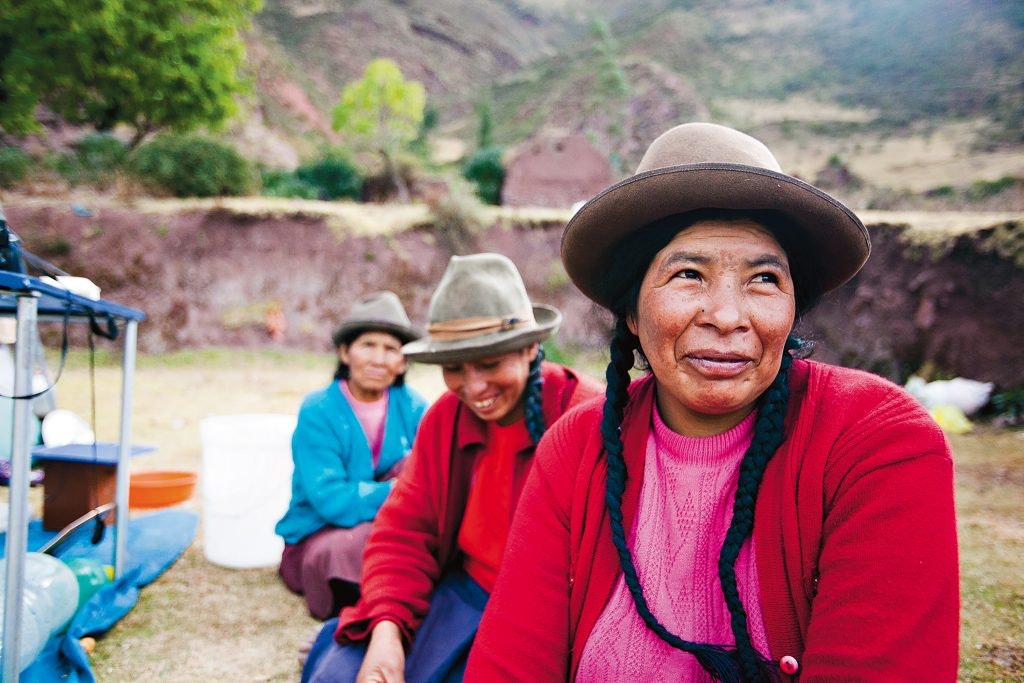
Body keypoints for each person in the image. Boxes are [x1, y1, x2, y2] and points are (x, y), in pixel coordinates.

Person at [467, 123, 960, 681]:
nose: (727, 316)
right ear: (632, 313)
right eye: (688, 274)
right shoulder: (575, 451)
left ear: (793, 307)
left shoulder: (878, 441)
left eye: (764, 279)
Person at [301, 252, 602, 683]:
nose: (473, 386)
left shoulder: (584, 417)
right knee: (344, 672)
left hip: (547, 617)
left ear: (530, 347)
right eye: (454, 368)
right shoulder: (445, 418)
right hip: (462, 595)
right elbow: (405, 529)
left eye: (490, 363)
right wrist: (388, 629)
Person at [277, 291, 428, 620]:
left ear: (402, 361)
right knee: (353, 548)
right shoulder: (318, 410)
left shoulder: (415, 407)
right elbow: (330, 499)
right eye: (368, 345)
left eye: (391, 349)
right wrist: (397, 492)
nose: (378, 359)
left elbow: (430, 478)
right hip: (321, 533)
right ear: (345, 353)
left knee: (417, 465)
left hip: (386, 524)